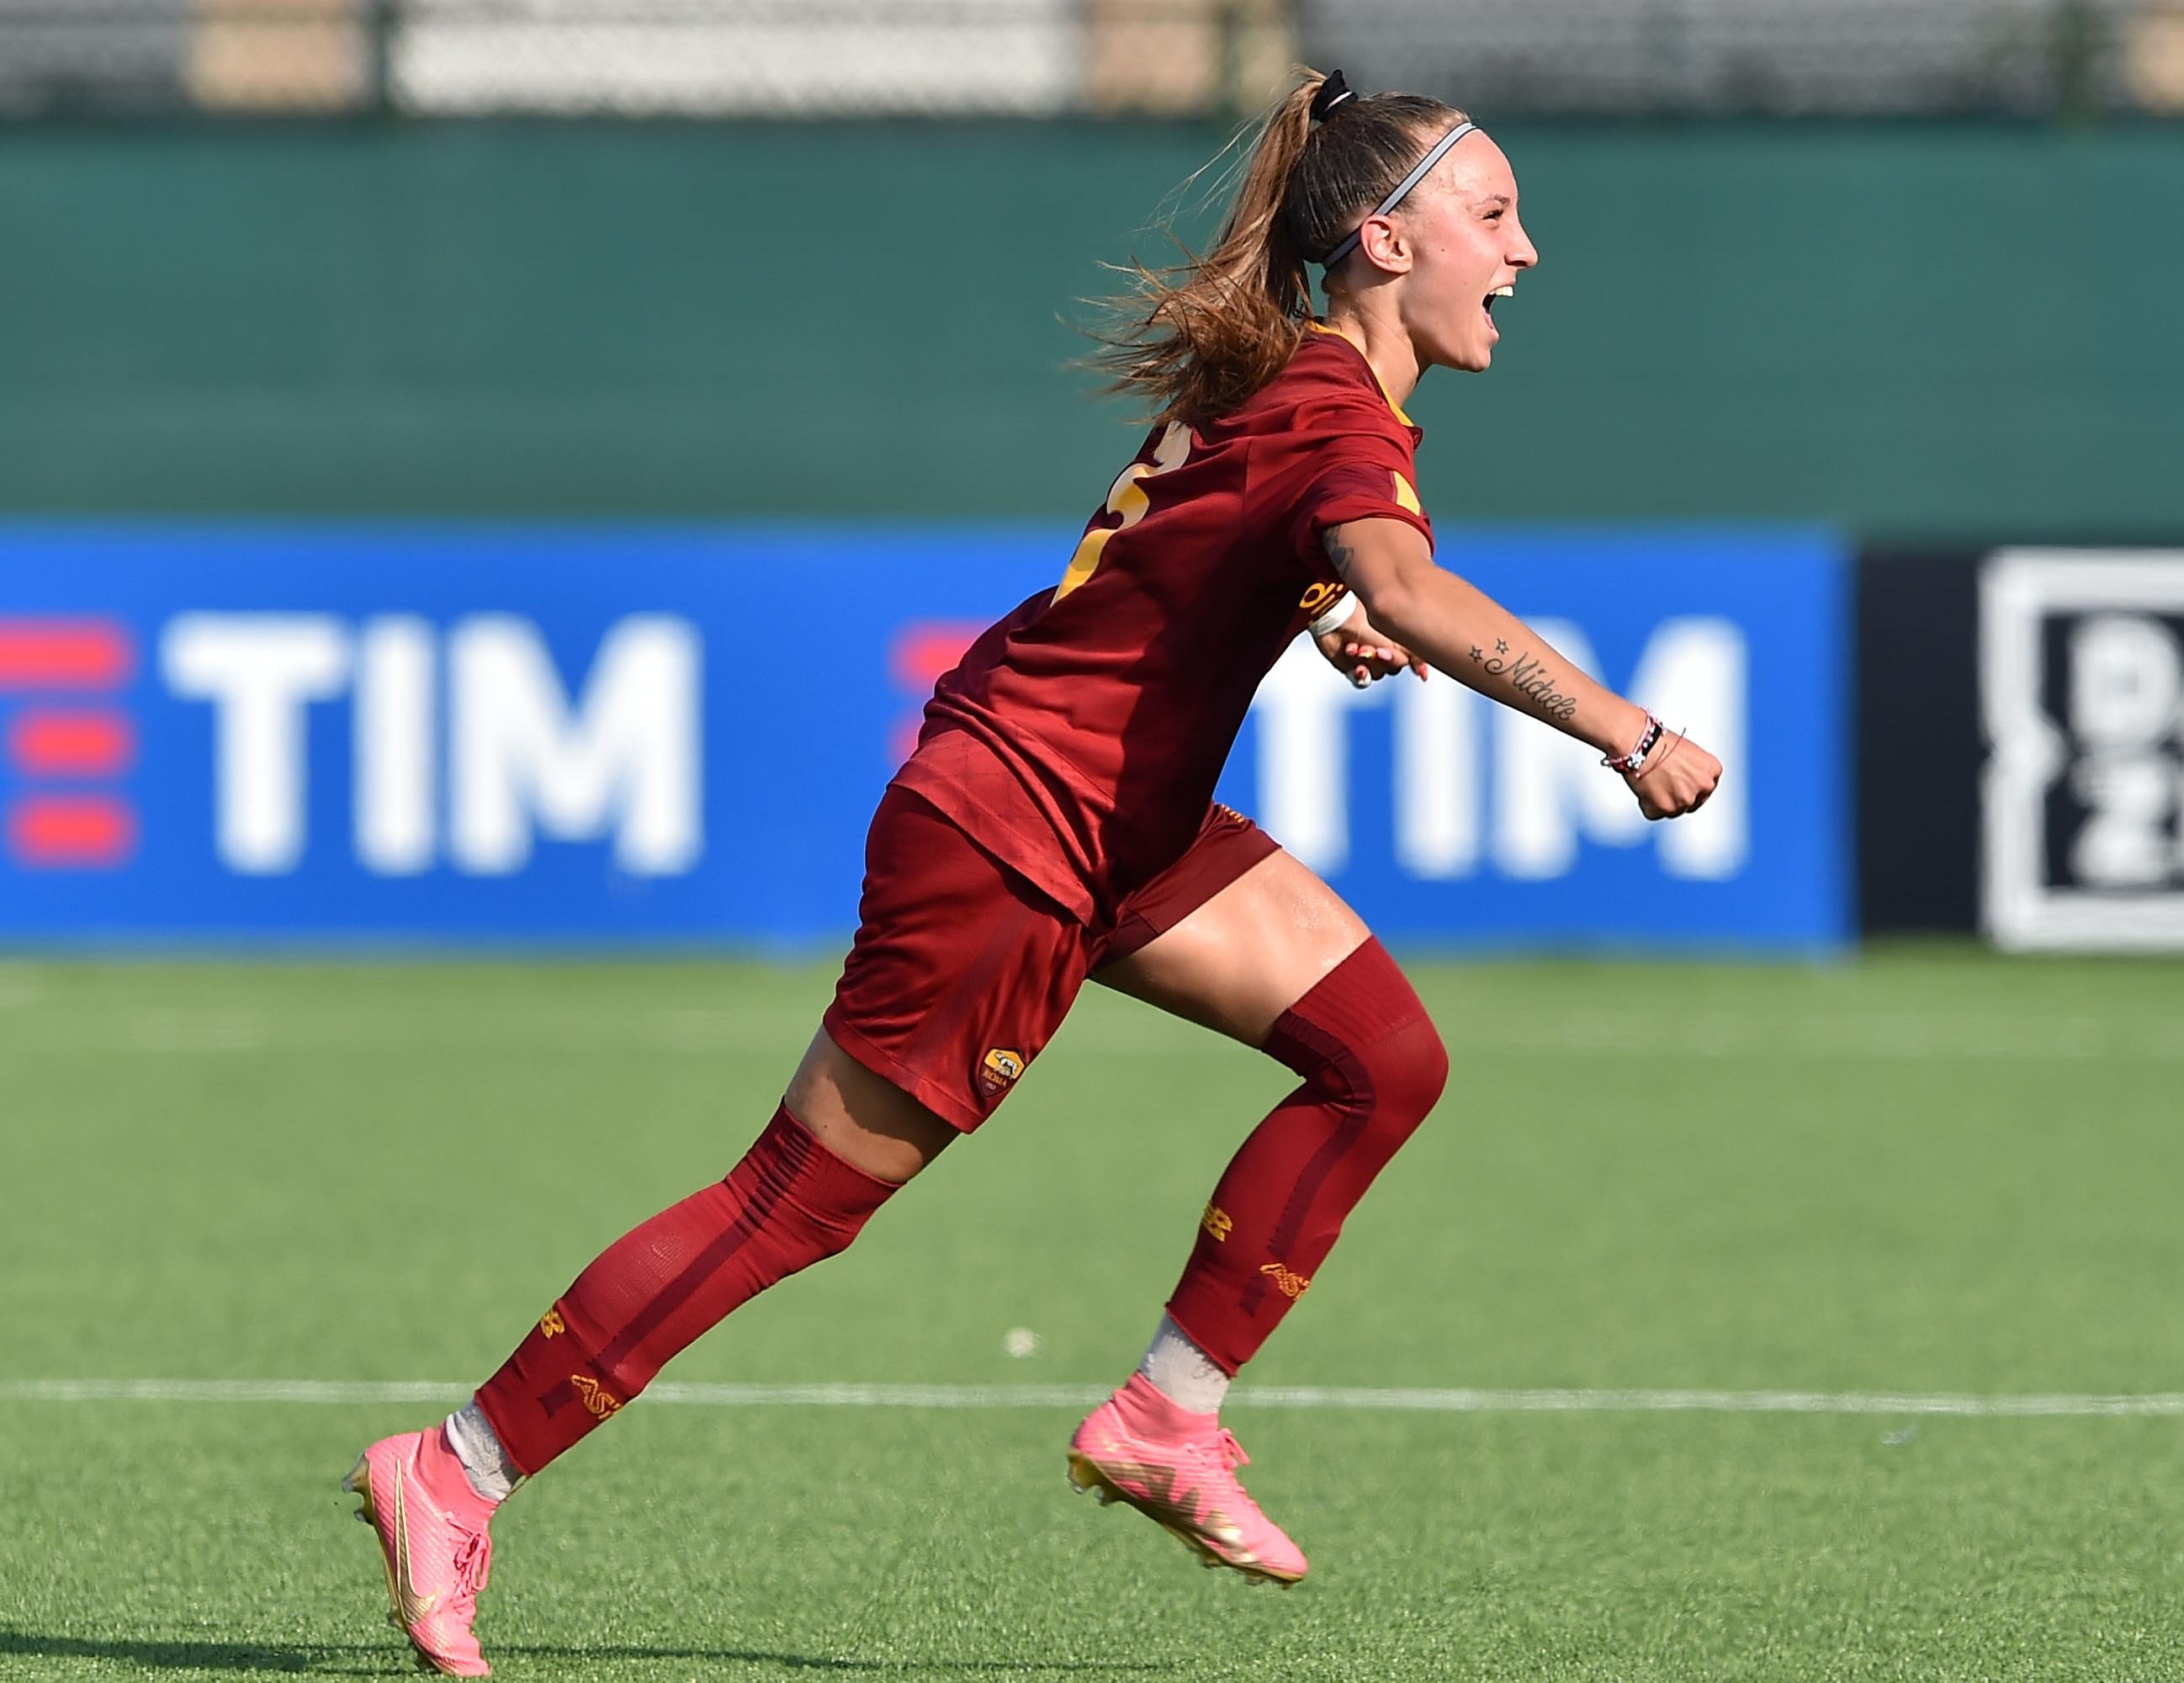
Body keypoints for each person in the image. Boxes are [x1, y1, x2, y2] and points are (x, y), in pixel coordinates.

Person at [341, 66, 1722, 1676]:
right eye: (1496, 215)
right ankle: (456, 1465)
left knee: (1383, 1059)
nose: (1527, 251)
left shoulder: (1281, 376)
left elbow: (1200, 547)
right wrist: (1623, 731)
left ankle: (1163, 1418)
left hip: (1113, 820)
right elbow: (1409, 586)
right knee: (795, 1201)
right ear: (1382, 238)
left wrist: (1315, 601)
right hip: (1017, 831)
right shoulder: (1331, 405)